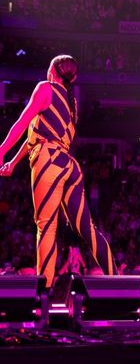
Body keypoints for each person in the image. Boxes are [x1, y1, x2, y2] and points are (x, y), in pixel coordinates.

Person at [0, 55, 117, 286]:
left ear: (52, 69)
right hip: (68, 165)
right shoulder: (71, 101)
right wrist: (12, 162)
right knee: (88, 229)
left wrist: (1, 149)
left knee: (46, 227)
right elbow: (37, 135)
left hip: (49, 162)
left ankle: (42, 292)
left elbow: (23, 123)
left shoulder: (45, 87)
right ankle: (116, 280)